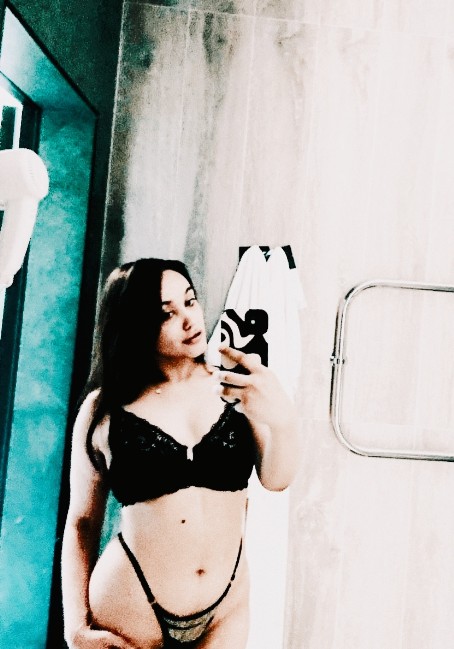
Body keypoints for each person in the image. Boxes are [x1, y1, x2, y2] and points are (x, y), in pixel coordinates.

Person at [61, 257, 299, 649]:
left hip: (226, 608)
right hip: (132, 606)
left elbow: (277, 479)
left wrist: (284, 419)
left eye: (190, 301)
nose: (189, 320)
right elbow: (83, 521)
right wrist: (75, 627)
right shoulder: (104, 410)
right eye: (167, 314)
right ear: (136, 325)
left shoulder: (234, 384)